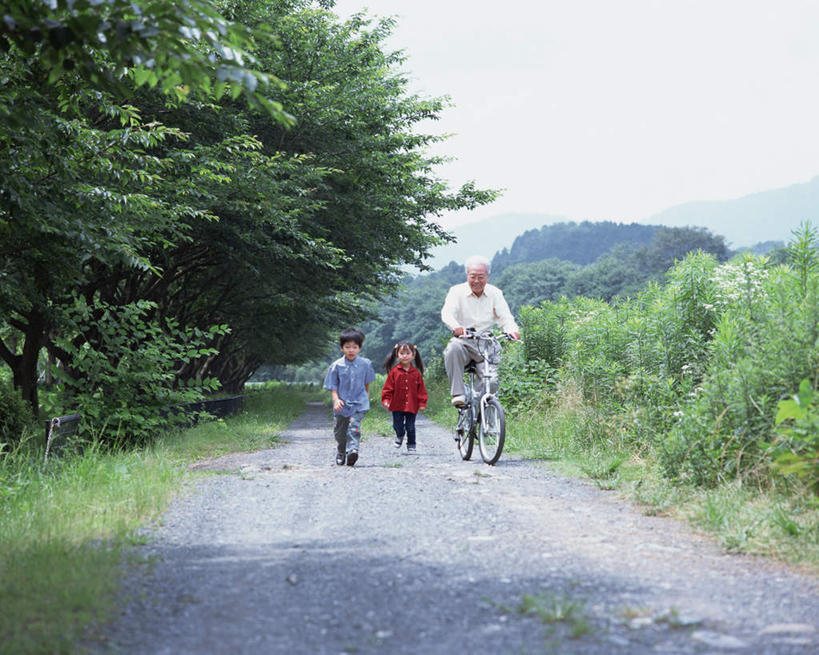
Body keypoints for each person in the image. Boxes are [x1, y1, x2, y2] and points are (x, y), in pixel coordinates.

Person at [440, 254, 520, 407]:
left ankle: (482, 410)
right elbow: (447, 313)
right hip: (464, 341)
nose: (476, 281)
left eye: (481, 277)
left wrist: (512, 330)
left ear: (487, 276)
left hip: (486, 343)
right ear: (467, 275)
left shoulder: (495, 293)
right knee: (452, 348)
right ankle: (458, 394)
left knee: (492, 382)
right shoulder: (456, 291)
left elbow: (505, 317)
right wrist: (456, 327)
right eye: (473, 276)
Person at [323, 328, 376, 467]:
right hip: (342, 404)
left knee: (354, 426)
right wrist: (336, 400)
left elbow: (366, 384)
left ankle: (353, 450)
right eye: (347, 347)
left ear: (359, 348)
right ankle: (341, 450)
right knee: (340, 432)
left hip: (359, 403)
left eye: (354, 347)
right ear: (342, 348)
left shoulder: (366, 364)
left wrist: (366, 398)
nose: (351, 350)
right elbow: (333, 386)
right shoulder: (336, 366)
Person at [381, 342, 428, 453]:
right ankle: (400, 435)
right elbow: (388, 388)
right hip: (396, 405)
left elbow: (421, 390)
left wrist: (422, 403)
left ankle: (411, 444)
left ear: (413, 355)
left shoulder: (416, 373)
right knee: (397, 425)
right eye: (402, 353)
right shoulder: (394, 372)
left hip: (412, 405)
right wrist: (386, 400)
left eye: (407, 353)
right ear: (397, 355)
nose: (405, 356)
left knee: (410, 426)